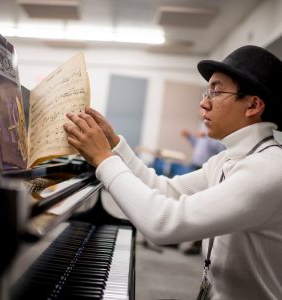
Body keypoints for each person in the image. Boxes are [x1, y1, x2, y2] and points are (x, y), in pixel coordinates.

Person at [63, 45, 282, 299]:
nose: (203, 103)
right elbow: (166, 190)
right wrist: (114, 145)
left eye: (216, 91)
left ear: (253, 105)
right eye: (206, 91)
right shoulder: (226, 159)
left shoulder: (268, 169)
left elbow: (164, 223)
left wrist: (103, 159)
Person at [180, 123, 225, 255]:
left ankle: (197, 244)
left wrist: (207, 136)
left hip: (207, 169)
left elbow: (222, 148)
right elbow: (198, 144)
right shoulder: (203, 125)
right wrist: (190, 137)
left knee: (202, 207)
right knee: (186, 202)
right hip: (195, 166)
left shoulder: (217, 127)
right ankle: (176, 239)